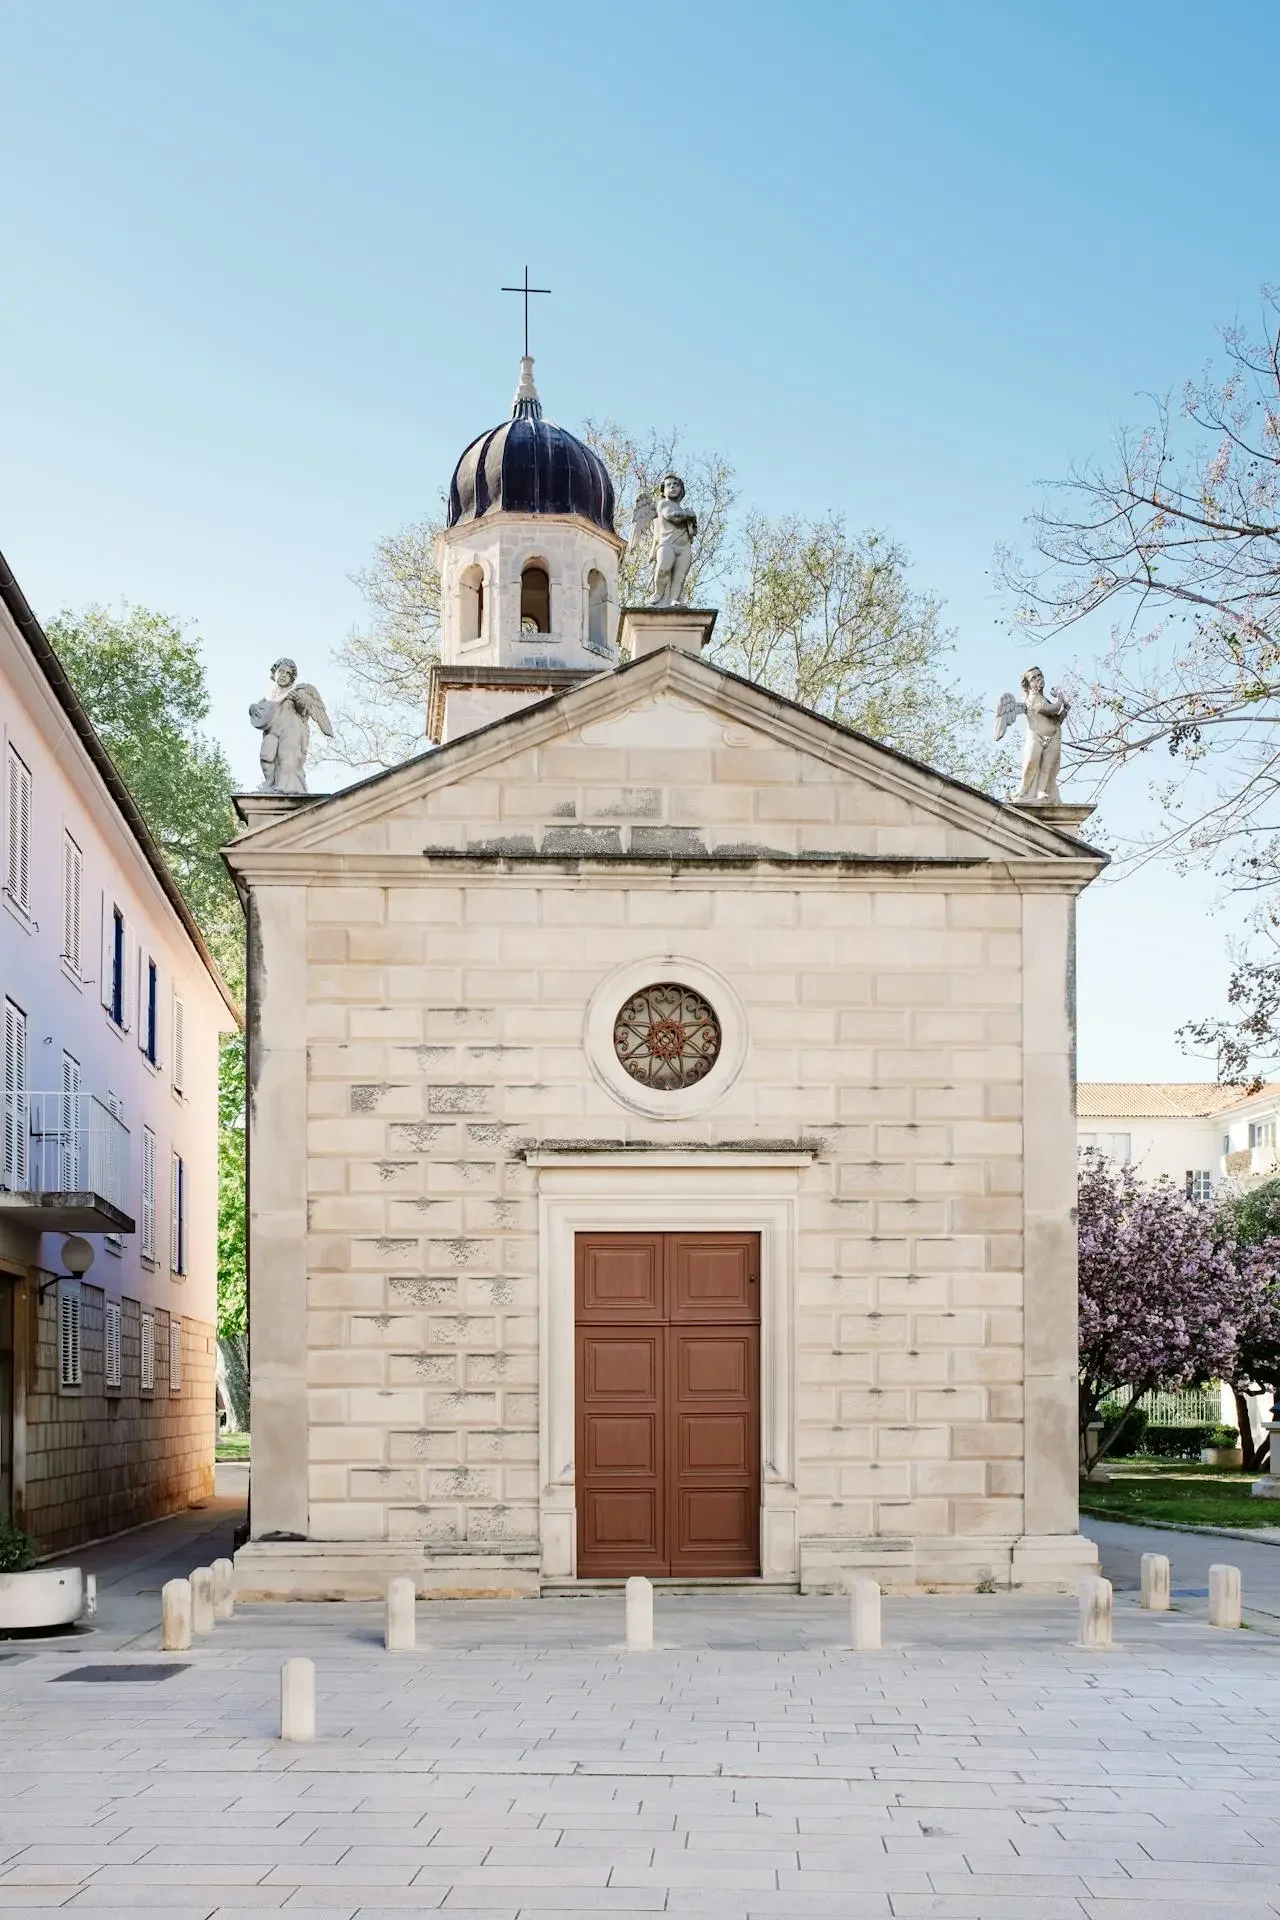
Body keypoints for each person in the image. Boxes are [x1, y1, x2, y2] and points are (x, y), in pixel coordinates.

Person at [250, 658, 333, 794]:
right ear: (274, 673)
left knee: (286, 757)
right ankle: (269, 783)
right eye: (281, 671)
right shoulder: (269, 697)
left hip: (291, 730)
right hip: (272, 730)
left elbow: (303, 710)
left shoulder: (298, 691)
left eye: (288, 673)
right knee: (266, 756)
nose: (283, 675)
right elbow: (261, 714)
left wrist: (298, 699)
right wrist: (252, 709)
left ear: (292, 678)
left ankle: (284, 787)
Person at [651, 473, 697, 606]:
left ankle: (674, 599)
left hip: (684, 548)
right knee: (663, 569)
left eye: (675, 485)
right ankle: (658, 593)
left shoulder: (684, 510)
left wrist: (693, 521)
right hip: (667, 544)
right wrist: (689, 515)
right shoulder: (663, 504)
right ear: (664, 491)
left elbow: (693, 531)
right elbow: (673, 516)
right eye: (668, 485)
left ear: (681, 490)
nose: (672, 487)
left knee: (679, 577)